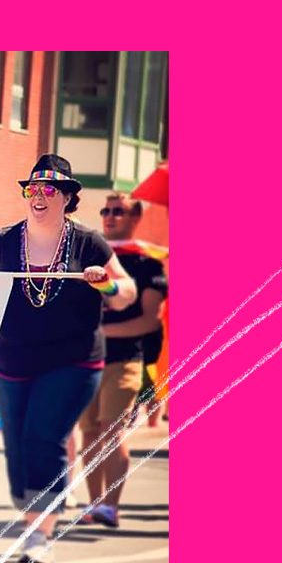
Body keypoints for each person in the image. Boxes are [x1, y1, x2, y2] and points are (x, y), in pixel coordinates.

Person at [0, 154, 135, 563]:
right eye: (33, 189)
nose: (39, 196)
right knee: (17, 444)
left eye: (50, 189)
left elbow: (127, 293)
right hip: (10, 360)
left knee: (42, 437)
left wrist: (106, 285)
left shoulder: (89, 243)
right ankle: (31, 510)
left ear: (68, 198)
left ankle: (40, 532)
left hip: (72, 360)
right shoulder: (1, 241)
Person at [77, 193, 168, 528]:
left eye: (118, 211)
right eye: (106, 211)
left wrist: (102, 331)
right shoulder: (89, 258)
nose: (110, 217)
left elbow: (150, 320)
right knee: (88, 433)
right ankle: (93, 503)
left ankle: (110, 507)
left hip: (124, 360)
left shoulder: (147, 265)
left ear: (136, 216)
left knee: (110, 431)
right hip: (86, 360)